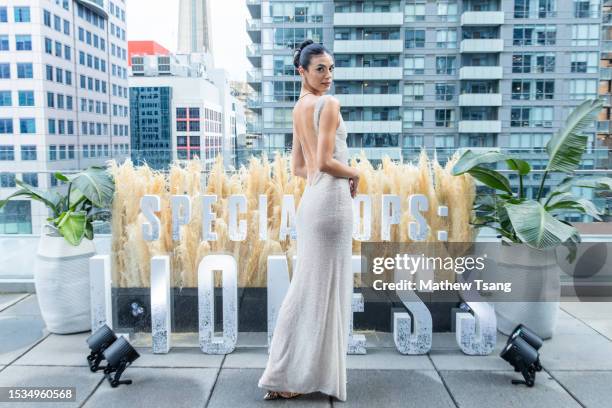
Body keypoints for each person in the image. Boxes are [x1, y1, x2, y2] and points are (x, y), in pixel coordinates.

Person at [257, 39, 360, 402]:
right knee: (318, 292)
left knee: (308, 290)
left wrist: (330, 174)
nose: (328, 75)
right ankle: (288, 374)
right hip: (331, 202)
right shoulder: (328, 104)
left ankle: (289, 374)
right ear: (301, 71)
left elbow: (298, 168)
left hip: (313, 202)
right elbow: (324, 162)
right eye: (320, 69)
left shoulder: (299, 107)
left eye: (331, 68)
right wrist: (356, 172)